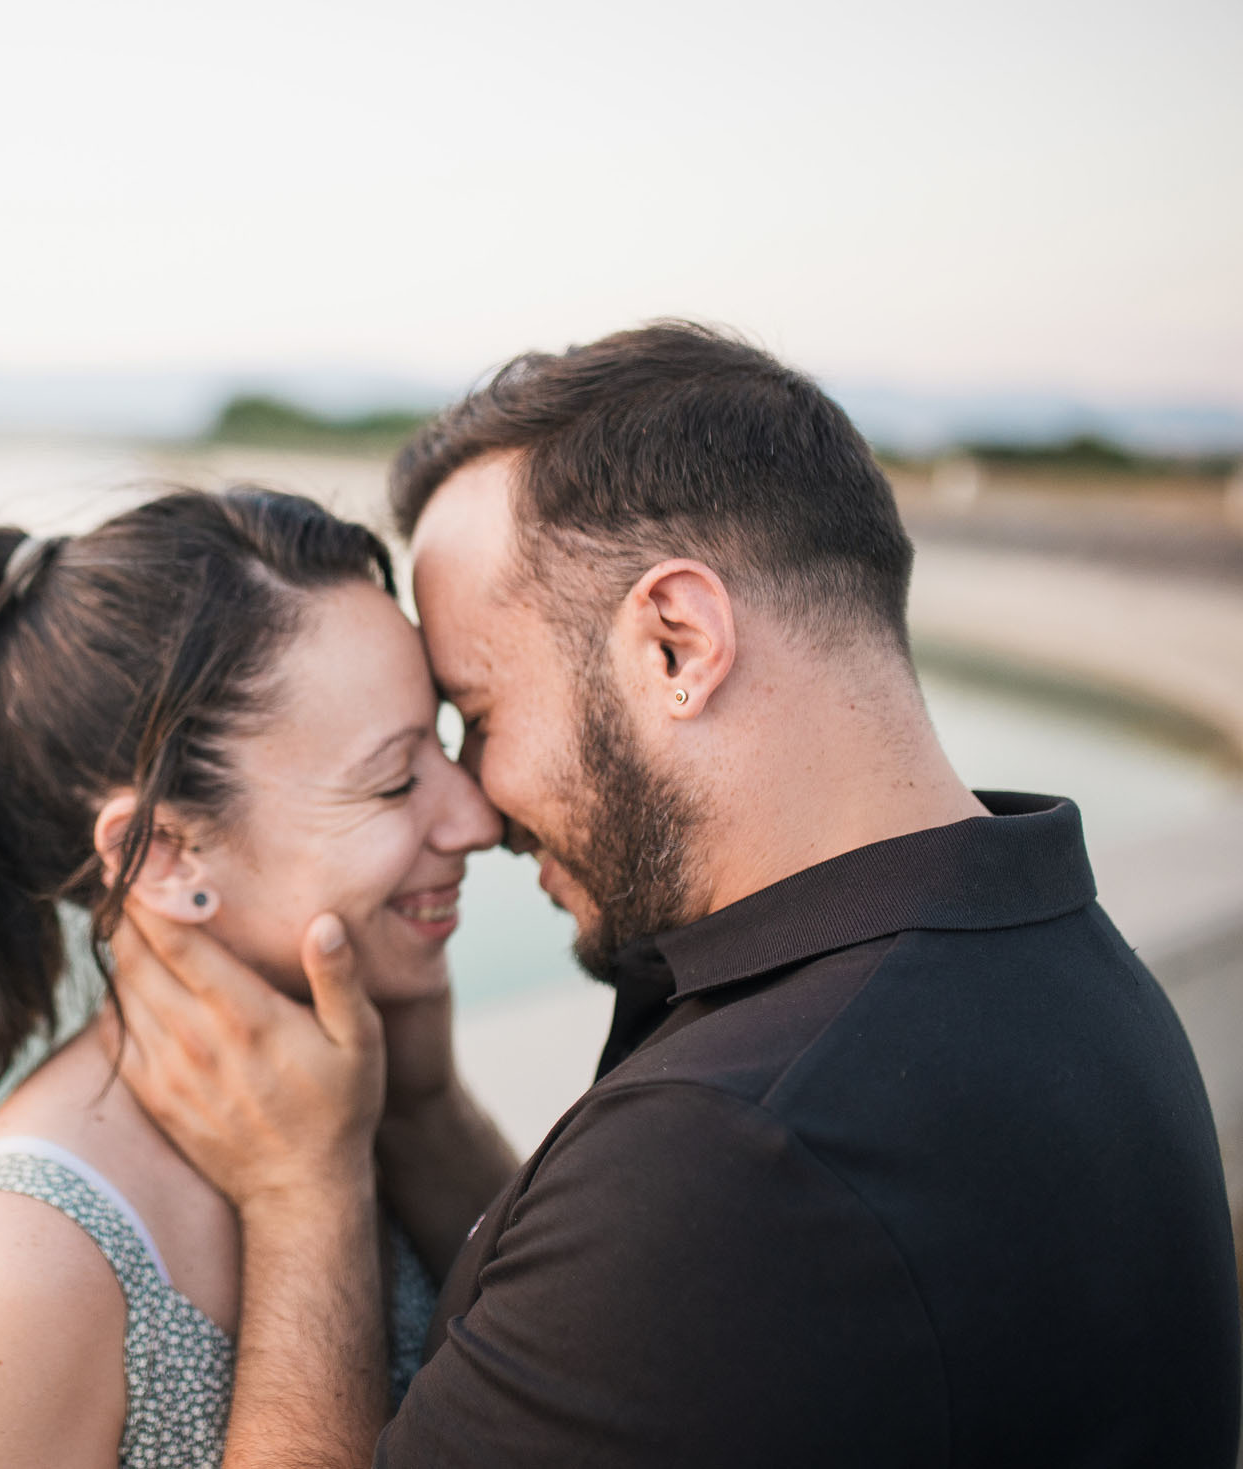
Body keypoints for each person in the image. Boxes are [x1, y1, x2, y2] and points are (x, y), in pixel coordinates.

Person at [106, 323, 1243, 1466]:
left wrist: (301, 1195)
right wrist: (420, 1109)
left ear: (674, 644)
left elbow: (687, 1247)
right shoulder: (1057, 965)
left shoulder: (740, 1147)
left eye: (480, 715)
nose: (479, 813)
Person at [0, 487, 505, 1468]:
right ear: (166, 853)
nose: (477, 817)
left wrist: (425, 1107)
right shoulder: (25, 1256)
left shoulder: (358, 1077)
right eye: (394, 778)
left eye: (440, 742)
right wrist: (308, 1199)